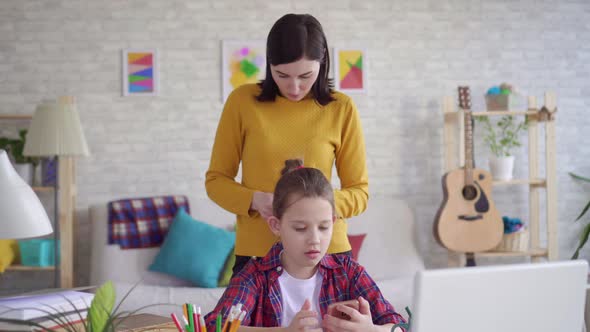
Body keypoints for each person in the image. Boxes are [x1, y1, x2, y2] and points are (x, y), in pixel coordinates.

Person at [206, 13, 369, 274]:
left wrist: (318, 206)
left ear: (322, 61)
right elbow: (215, 181)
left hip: (327, 253)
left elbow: (360, 192)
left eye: (305, 75)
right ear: (269, 64)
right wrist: (255, 200)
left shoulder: (341, 108)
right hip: (258, 255)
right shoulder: (242, 102)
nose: (294, 87)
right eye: (282, 75)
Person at [204, 160, 406, 331]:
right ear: (276, 225)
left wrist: (372, 330)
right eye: (300, 228)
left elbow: (402, 326)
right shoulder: (254, 278)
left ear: (333, 223)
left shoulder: (349, 272)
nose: (314, 239)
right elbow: (214, 326)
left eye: (324, 227)